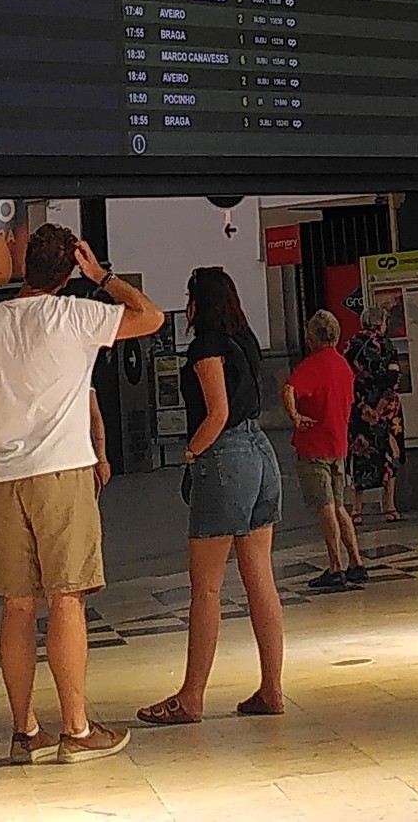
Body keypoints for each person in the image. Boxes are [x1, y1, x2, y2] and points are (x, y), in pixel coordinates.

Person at [0, 226, 164, 763]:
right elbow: (151, 317)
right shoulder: (77, 315)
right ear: (69, 271)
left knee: (17, 606)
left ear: (21, 264)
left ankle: (24, 732)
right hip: (63, 473)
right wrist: (104, 276)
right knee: (67, 598)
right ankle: (77, 730)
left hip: (4, 478)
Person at [138, 266, 289, 725]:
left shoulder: (207, 345)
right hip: (261, 453)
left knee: (205, 588)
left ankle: (191, 697)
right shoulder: (246, 338)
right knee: (260, 576)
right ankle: (272, 688)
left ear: (197, 301)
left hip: (225, 458)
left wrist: (190, 453)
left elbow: (216, 412)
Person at [283, 311, 364, 589]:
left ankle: (335, 566)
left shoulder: (313, 364)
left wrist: (294, 415)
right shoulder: (343, 366)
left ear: (311, 338)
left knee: (326, 507)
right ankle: (356, 561)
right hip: (338, 444)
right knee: (340, 505)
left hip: (314, 445)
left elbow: (289, 389)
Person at [344, 323, 407, 522]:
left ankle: (356, 510)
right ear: (381, 323)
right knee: (389, 453)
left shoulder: (350, 346)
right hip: (387, 413)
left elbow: (347, 378)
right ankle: (389, 507)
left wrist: (364, 407)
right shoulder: (387, 345)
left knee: (360, 454)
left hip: (359, 410)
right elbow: (393, 378)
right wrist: (379, 409)